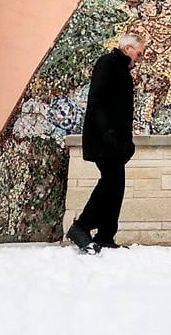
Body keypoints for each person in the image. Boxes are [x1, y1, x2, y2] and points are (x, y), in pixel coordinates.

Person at [66, 32, 146, 253]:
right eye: (139, 54)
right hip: (103, 138)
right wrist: (108, 131)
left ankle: (105, 235)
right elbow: (97, 101)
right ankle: (80, 227)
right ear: (128, 48)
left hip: (115, 140)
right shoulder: (107, 63)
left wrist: (126, 142)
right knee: (111, 181)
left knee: (116, 184)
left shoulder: (122, 71)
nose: (139, 58)